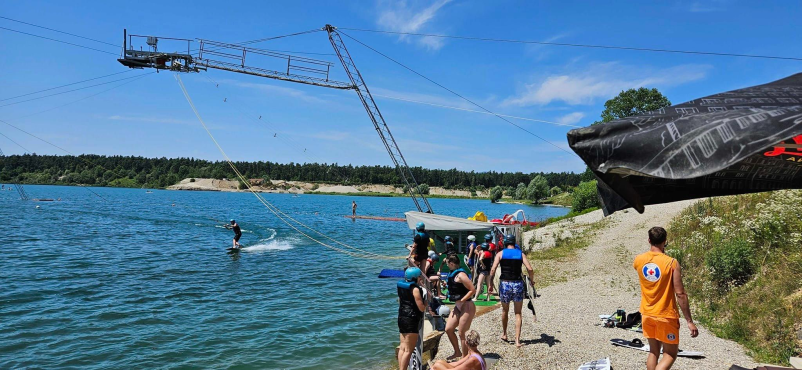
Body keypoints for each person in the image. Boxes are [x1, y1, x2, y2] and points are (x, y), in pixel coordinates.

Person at [633, 226, 699, 370]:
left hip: (647, 313)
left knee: (653, 351)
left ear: (649, 240)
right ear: (665, 241)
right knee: (670, 354)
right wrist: (689, 321)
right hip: (666, 315)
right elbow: (680, 293)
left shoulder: (638, 260)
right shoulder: (671, 263)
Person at [489, 234, 534, 348]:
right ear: (514, 243)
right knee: (518, 313)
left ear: (505, 243)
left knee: (505, 310)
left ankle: (504, 334)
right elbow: (530, 269)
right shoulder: (520, 254)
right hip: (518, 284)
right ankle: (517, 341)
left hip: (505, 284)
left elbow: (493, 269)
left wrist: (490, 284)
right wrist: (531, 281)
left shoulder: (500, 254)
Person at [444, 255, 477, 361]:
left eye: (447, 263)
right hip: (458, 306)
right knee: (448, 329)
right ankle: (457, 352)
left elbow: (472, 290)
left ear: (452, 264)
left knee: (462, 333)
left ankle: (465, 358)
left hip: (467, 306)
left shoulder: (461, 275)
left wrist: (462, 300)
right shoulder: (452, 274)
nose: (447, 265)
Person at [397, 267, 427, 370]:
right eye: (419, 276)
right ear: (416, 277)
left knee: (403, 347)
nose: (420, 278)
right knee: (409, 350)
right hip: (411, 319)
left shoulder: (401, 286)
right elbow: (421, 308)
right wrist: (426, 303)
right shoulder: (415, 289)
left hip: (401, 317)